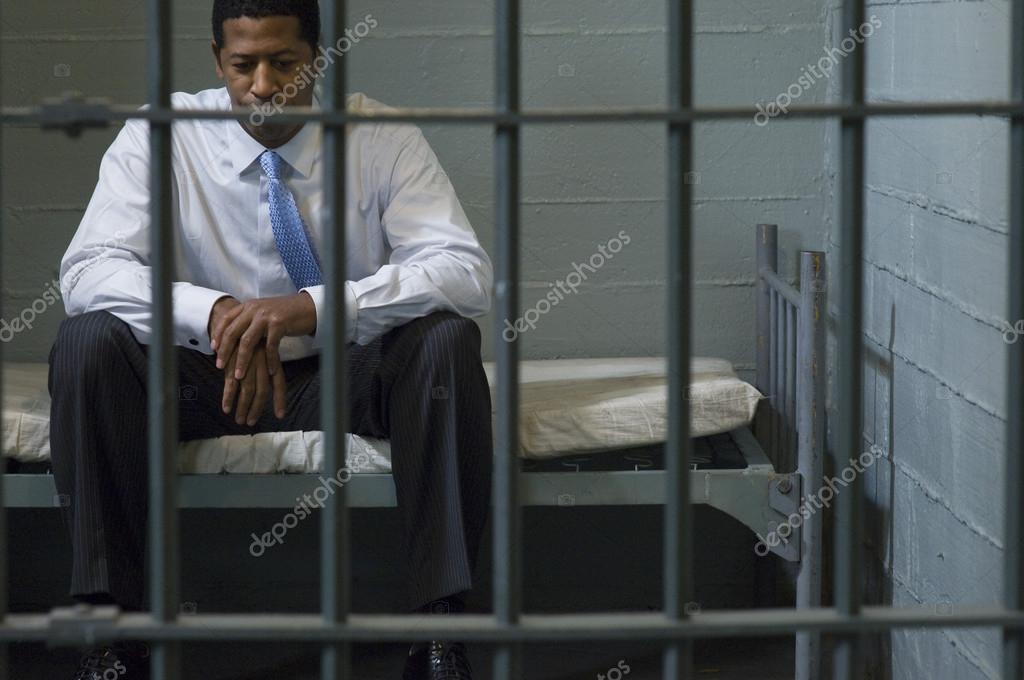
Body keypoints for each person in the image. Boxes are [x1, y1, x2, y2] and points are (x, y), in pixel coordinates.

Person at [48, 1, 493, 678]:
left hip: (336, 374)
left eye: (283, 63)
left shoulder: (380, 136)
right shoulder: (162, 134)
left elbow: (464, 271)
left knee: (446, 341)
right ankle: (113, 640)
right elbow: (87, 272)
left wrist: (311, 308)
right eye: (242, 64)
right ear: (216, 60)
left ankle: (440, 634)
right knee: (87, 341)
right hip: (199, 376)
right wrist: (215, 311)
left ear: (316, 57)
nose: (262, 85)